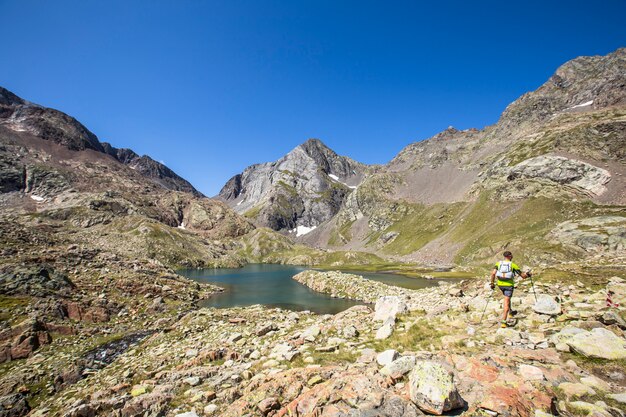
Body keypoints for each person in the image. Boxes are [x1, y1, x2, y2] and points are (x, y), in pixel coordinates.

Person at [490, 251, 530, 328]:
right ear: (509, 256)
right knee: (506, 302)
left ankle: (511, 312)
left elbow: (493, 273)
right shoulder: (513, 265)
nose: (512, 257)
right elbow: (523, 276)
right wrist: (528, 275)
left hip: (500, 285)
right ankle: (504, 322)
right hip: (508, 286)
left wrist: (492, 283)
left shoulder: (499, 264)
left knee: (507, 299)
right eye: (511, 255)